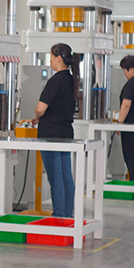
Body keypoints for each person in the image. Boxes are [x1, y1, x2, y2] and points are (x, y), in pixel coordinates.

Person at [32, 43, 80, 218]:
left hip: (50, 135)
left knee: (55, 177)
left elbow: (40, 109)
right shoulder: (71, 80)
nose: (50, 61)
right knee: (66, 175)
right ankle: (67, 214)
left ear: (59, 58)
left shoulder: (55, 80)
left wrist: (38, 115)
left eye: (52, 57)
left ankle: (59, 216)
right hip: (65, 133)